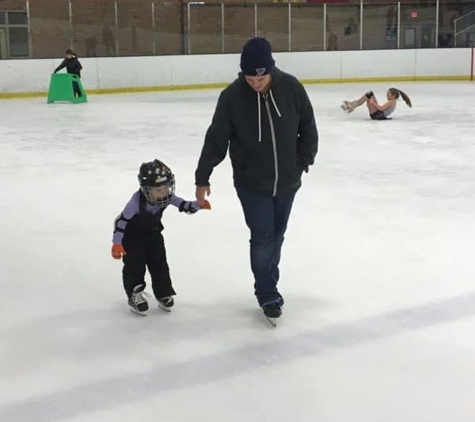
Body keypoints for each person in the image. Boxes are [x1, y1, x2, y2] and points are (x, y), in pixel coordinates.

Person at [194, 37, 319, 322]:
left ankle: (268, 283)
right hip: (252, 184)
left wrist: (302, 162)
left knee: (277, 236)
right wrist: (203, 178)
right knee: (262, 238)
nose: (256, 83)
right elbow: (216, 140)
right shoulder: (232, 97)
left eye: (260, 78)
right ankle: (267, 293)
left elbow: (308, 127)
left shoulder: (291, 88)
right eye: (250, 78)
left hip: (287, 181)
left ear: (271, 70)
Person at [112, 159, 211, 316]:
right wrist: (117, 244)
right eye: (158, 190)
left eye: (166, 187)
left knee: (159, 263)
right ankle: (134, 293)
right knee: (135, 264)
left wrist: (199, 204)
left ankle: (163, 292)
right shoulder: (136, 202)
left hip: (153, 233)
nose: (164, 192)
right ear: (146, 189)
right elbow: (121, 222)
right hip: (132, 237)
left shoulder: (167, 196)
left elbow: (183, 205)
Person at [341, 88, 412, 120]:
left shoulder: (392, 101)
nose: (386, 95)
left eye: (388, 94)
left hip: (377, 115)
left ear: (393, 96)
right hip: (378, 114)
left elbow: (381, 108)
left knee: (369, 95)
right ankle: (353, 105)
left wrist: (373, 103)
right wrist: (371, 103)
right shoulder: (392, 101)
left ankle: (352, 106)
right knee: (369, 93)